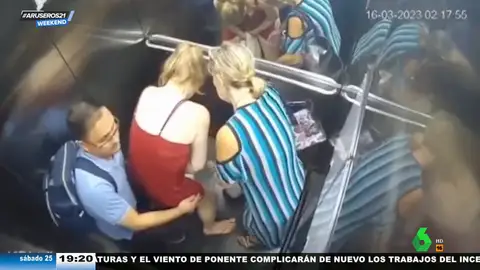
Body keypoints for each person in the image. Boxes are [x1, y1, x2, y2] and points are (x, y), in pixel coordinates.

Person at [128, 43, 236, 236]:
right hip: (169, 188)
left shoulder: (148, 92)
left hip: (139, 175)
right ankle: (209, 227)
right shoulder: (198, 113)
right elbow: (197, 165)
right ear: (198, 78)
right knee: (206, 194)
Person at [208, 42, 306, 249]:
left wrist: (215, 171)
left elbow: (228, 183)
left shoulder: (229, 133)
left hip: (273, 216)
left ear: (220, 78)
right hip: (300, 190)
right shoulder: (270, 92)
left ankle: (254, 239)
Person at [67, 101, 201, 249]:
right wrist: (180, 210)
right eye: (105, 139)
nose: (116, 140)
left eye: (114, 127)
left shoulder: (108, 147)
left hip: (131, 197)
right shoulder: (94, 188)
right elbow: (136, 222)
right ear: (85, 146)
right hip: (130, 230)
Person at [274, 0, 341, 66]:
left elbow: (292, 68)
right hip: (334, 59)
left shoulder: (296, 20)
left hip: (317, 72)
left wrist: (270, 54)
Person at [215, 0, 279, 59]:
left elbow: (273, 17)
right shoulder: (219, 3)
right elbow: (226, 22)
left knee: (270, 54)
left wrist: (257, 30)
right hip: (237, 25)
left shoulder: (260, 2)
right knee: (227, 50)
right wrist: (240, 33)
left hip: (263, 21)